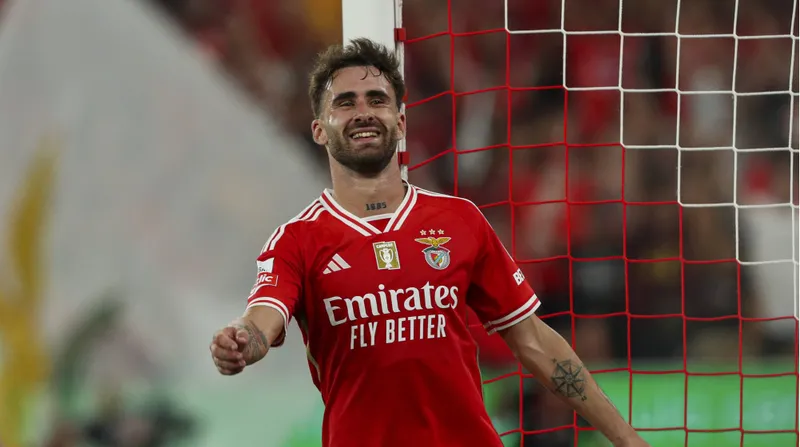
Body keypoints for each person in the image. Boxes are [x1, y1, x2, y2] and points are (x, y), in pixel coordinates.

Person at [209, 38, 649, 447]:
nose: (363, 112)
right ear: (320, 129)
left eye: (377, 100)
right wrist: (241, 340)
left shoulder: (460, 221)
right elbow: (262, 319)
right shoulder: (297, 240)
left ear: (400, 121)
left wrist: (628, 440)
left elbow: (533, 341)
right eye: (345, 103)